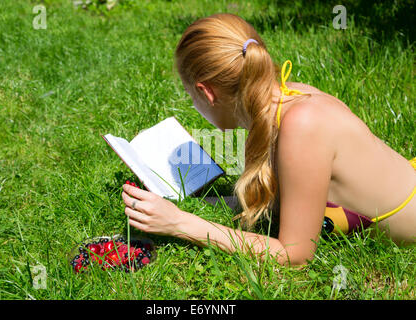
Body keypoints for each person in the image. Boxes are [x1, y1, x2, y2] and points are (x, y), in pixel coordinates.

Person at [121, 13, 415, 266]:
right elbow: (285, 195)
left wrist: (180, 223)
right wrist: (195, 203)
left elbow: (295, 255)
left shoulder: (302, 127)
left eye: (190, 96)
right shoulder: (286, 98)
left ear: (207, 93)